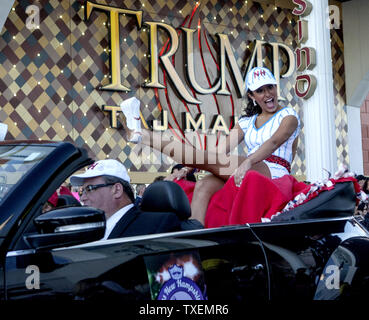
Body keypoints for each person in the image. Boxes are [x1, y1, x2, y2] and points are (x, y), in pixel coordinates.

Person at [120, 66, 300, 225]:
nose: (268, 94)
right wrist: (190, 167)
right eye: (260, 90)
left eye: (270, 87)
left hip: (274, 172)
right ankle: (194, 242)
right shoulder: (247, 121)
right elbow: (219, 151)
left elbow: (274, 142)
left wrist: (248, 162)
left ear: (276, 87)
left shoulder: (289, 115)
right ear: (252, 96)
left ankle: (143, 135)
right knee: (203, 185)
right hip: (249, 168)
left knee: (206, 160)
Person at [70, 159, 181, 240]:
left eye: (89, 189)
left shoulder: (157, 225)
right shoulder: (87, 229)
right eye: (82, 191)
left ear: (117, 190)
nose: (83, 198)